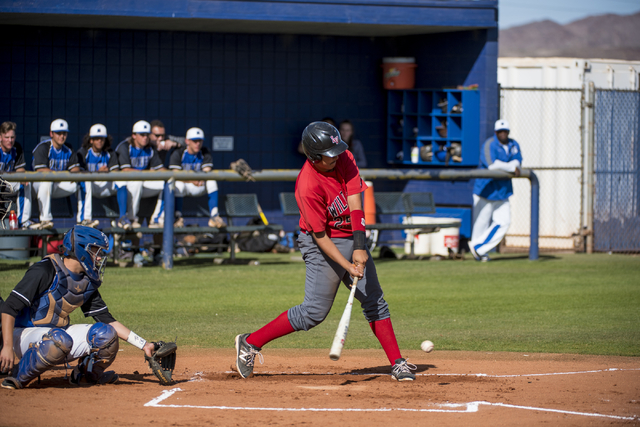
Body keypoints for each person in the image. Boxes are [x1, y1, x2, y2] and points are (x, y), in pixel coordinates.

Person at [234, 122, 416, 382]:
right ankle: (250, 342)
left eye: (338, 150)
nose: (337, 156)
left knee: (374, 300)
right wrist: (348, 263)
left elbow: (355, 202)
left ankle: (397, 363)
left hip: (349, 236)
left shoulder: (343, 157)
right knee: (314, 313)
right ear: (313, 157)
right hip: (321, 243)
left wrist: (359, 247)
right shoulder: (307, 186)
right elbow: (320, 236)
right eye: (330, 155)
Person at [0, 225, 156, 389]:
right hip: (24, 335)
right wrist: (7, 347)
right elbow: (9, 308)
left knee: (106, 335)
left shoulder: (87, 280)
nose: (99, 258)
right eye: (96, 251)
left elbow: (108, 321)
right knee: (59, 339)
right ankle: (17, 375)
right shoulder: (45, 269)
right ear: (82, 250)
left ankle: (85, 376)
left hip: (58, 336)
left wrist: (144, 345)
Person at [469, 119, 523, 262]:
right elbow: (492, 165)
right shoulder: (489, 144)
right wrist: (511, 167)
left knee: (504, 222)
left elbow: (518, 160)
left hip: (503, 190)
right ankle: (479, 253)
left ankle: (479, 248)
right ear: (495, 132)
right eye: (500, 132)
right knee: (481, 224)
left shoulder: (513, 144)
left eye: (505, 131)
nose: (503, 134)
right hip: (486, 190)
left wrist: (512, 165)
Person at [73, 124, 131, 229]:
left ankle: (123, 218)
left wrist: (107, 172)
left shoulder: (110, 153)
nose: (99, 141)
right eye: (96, 138)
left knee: (122, 181)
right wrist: (97, 172)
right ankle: (84, 219)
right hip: (90, 187)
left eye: (102, 138)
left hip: (104, 185)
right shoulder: (83, 153)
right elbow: (80, 175)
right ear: (91, 140)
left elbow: (115, 172)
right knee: (86, 181)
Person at [168, 127, 225, 228]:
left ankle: (214, 217)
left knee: (211, 180)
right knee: (178, 184)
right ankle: (178, 218)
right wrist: (192, 180)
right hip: (185, 185)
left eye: (200, 141)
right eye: (194, 141)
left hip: (199, 185)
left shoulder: (204, 151)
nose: (198, 144)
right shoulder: (179, 152)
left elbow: (207, 169)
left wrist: (201, 178)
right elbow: (175, 173)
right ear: (187, 141)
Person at [30, 119, 80, 230]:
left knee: (80, 184)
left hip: (57, 184)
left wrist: (67, 175)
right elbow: (41, 170)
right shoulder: (43, 147)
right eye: (58, 133)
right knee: (47, 181)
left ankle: (83, 219)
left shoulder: (68, 149)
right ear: (51, 134)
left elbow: (76, 169)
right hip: (36, 187)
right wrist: (61, 175)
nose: (62, 136)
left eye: (64, 133)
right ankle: (45, 220)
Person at [116, 120, 165, 227]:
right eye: (142, 135)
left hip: (143, 182)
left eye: (147, 135)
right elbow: (126, 170)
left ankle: (156, 219)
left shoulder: (150, 148)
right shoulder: (124, 146)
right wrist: (146, 173)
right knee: (136, 182)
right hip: (125, 185)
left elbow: (160, 169)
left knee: (167, 184)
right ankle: (131, 218)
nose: (145, 138)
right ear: (134, 135)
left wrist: (171, 175)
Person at [0, 121, 32, 228]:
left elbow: (20, 169)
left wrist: (23, 177)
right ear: (0, 137)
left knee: (26, 183)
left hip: (8, 182)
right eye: (7, 137)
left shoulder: (16, 147)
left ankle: (23, 221)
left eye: (12, 137)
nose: (10, 140)